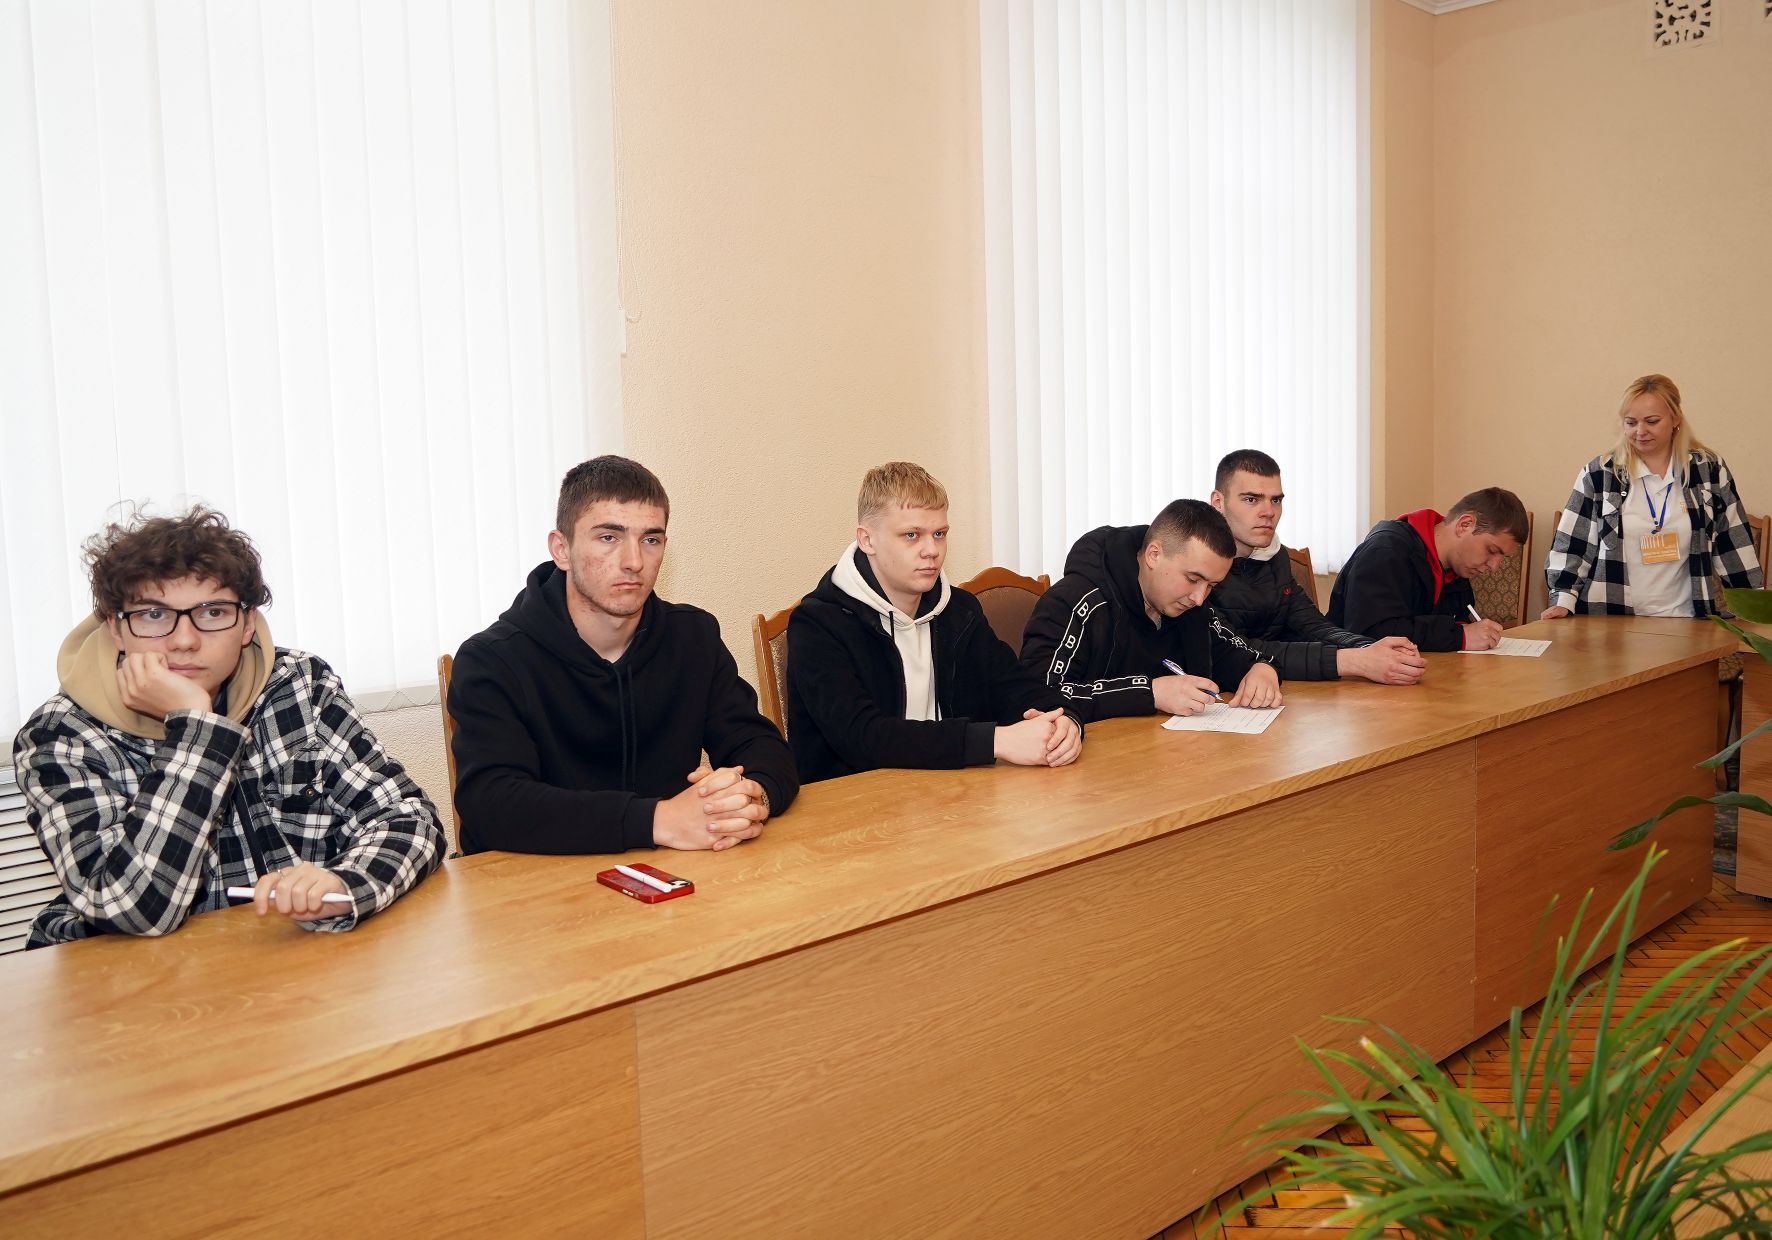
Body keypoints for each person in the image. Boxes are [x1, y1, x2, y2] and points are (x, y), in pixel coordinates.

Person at [14, 507, 444, 948]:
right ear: (117, 629)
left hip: (283, 953)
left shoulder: (298, 684)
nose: (184, 640)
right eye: (154, 615)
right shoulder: (59, 734)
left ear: (247, 623)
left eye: (213, 612)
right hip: (125, 974)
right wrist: (196, 729)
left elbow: (408, 818)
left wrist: (344, 882)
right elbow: (133, 910)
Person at [449, 456, 798, 855]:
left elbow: (762, 747)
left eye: (651, 540)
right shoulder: (492, 660)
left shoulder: (693, 636)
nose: (634, 562)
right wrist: (657, 820)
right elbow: (492, 804)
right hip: (538, 880)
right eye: (608, 537)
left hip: (675, 874)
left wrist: (750, 798)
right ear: (561, 550)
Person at [788, 462, 1083, 783]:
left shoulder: (960, 610)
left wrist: (1063, 720)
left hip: (953, 790)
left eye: (939, 534)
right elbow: (862, 736)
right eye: (911, 535)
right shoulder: (817, 624)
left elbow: (1014, 686)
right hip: (854, 800)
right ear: (867, 540)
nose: (931, 550)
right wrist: (994, 741)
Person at [1020, 499, 1281, 721]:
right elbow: (1038, 695)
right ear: (1154, 555)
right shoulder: (1075, 601)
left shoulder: (1190, 607)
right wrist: (1150, 693)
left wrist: (1261, 669)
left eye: (1211, 586)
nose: (1200, 598)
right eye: (1192, 579)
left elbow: (1236, 652)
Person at [1543, 373, 1762, 619]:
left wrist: (1754, 609)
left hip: (1685, 620)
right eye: (1631, 422)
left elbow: (1734, 545)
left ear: (1676, 418)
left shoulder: (1708, 470)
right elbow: (1571, 546)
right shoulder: (1600, 473)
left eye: (1652, 421)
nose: (1640, 431)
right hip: (1609, 621)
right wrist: (1562, 600)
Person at [1208, 449, 1427, 685]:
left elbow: (1312, 625)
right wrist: (1353, 661)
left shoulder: (1276, 556)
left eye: (1276, 500)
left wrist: (1370, 649)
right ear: (1218, 502)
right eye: (1252, 499)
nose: (1268, 512)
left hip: (1281, 690)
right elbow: (1233, 650)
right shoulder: (1197, 568)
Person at [1326, 488, 1527, 652]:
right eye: (1492, 550)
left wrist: (1470, 632)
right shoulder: (1386, 551)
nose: (1494, 566)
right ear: (1465, 525)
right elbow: (1370, 632)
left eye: (1502, 558)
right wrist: (1460, 636)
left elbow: (1456, 621)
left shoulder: (1458, 569)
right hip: (1351, 681)